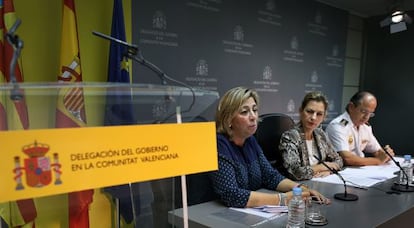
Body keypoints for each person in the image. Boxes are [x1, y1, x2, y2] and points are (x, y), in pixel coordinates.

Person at [209, 87, 329, 208]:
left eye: (254, 110)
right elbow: (231, 195)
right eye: (244, 112)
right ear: (228, 119)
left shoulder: (250, 140)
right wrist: (282, 199)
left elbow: (270, 176)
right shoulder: (219, 144)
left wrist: (300, 189)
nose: (253, 117)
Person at [279, 91, 343, 180]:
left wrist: (329, 171)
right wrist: (322, 167)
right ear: (301, 111)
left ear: (324, 117)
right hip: (299, 187)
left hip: (322, 182)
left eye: (319, 114)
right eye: (309, 111)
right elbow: (294, 172)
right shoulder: (290, 136)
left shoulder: (320, 134)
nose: (313, 117)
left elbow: (339, 160)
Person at [325, 91, 395, 166]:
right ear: (351, 107)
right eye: (364, 111)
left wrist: (386, 154)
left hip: (358, 170)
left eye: (370, 113)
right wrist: (378, 160)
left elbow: (377, 151)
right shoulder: (338, 126)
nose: (366, 117)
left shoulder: (365, 127)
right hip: (342, 169)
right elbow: (347, 159)